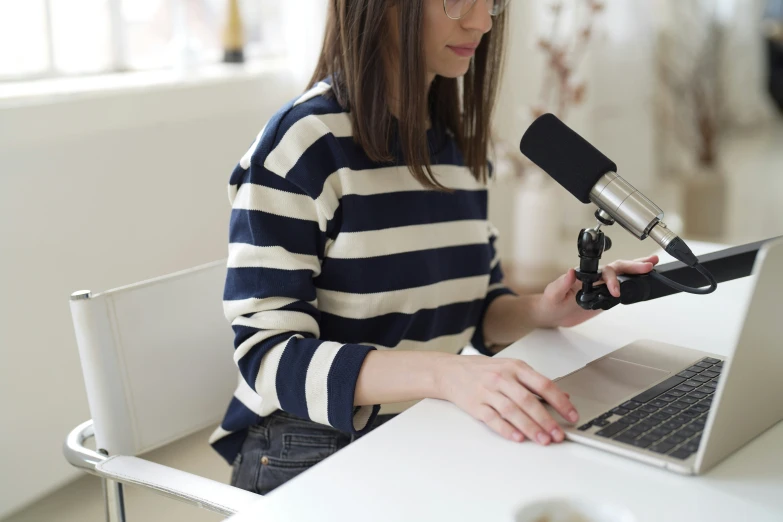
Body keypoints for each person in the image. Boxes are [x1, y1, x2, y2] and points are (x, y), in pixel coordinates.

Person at [209, 0, 658, 495]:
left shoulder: (458, 150)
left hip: (418, 429)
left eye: (492, 3)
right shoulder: (303, 146)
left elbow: (476, 307)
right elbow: (268, 358)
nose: (482, 22)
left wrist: (543, 310)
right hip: (306, 447)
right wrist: (447, 375)